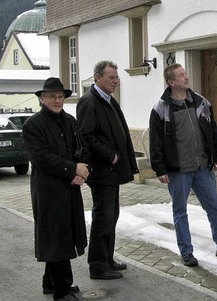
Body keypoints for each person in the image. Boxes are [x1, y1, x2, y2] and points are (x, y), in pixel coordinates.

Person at [149, 63, 217, 267]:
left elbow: (213, 131)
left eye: (186, 73)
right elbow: (155, 143)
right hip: (178, 171)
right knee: (180, 211)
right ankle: (186, 252)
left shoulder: (202, 103)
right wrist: (160, 169)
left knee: (215, 208)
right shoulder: (161, 108)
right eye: (181, 75)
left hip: (202, 168)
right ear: (171, 82)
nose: (186, 77)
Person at [22, 77, 90, 301]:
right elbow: (41, 157)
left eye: (60, 97)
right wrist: (72, 169)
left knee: (64, 235)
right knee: (56, 237)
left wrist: (81, 171)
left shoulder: (70, 121)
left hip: (70, 188)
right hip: (49, 191)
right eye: (52, 97)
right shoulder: (33, 125)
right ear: (42, 99)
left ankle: (50, 282)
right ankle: (62, 290)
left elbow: (80, 148)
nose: (57, 100)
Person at [77, 61, 139, 280]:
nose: (115, 81)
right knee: (103, 217)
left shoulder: (108, 100)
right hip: (102, 171)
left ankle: (107, 258)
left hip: (111, 171)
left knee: (111, 216)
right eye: (111, 77)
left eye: (116, 77)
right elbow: (86, 136)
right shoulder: (89, 102)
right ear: (97, 78)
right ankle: (97, 265)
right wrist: (109, 154)